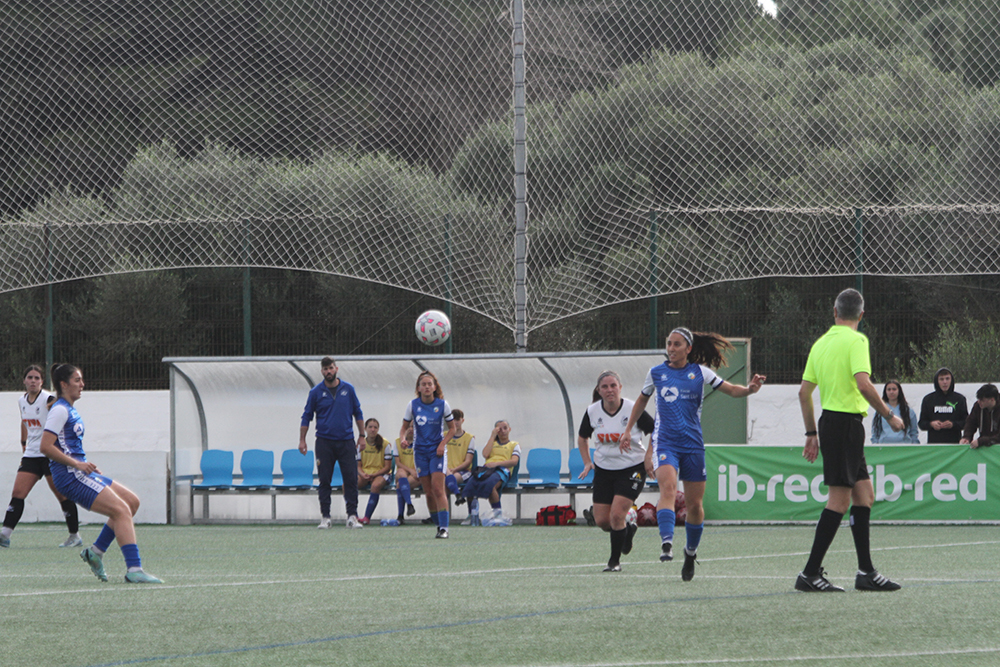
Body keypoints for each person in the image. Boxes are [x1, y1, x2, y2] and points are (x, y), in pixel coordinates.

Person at [622, 327, 765, 582]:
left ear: (688, 348)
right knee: (667, 490)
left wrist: (750, 389)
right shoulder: (656, 373)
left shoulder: (700, 373)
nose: (671, 348)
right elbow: (642, 401)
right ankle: (667, 542)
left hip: (693, 445)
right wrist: (627, 430)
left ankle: (690, 552)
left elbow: (732, 390)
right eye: (669, 343)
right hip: (666, 444)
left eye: (677, 344)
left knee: (695, 506)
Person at [796, 288, 902, 592]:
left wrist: (811, 433)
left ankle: (865, 572)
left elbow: (804, 393)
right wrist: (888, 414)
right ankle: (809, 574)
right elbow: (863, 384)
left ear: (834, 312)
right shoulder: (857, 341)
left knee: (864, 496)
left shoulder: (820, 344)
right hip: (844, 425)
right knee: (839, 501)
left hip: (836, 425)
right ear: (861, 315)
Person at [38, 364, 162, 583]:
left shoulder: (69, 409)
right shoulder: (60, 410)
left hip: (78, 471)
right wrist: (77, 464)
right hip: (70, 476)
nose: (82, 384)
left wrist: (84, 464)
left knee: (131, 502)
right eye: (77, 380)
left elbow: (68, 445)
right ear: (63, 384)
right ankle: (134, 569)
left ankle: (95, 552)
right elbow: (45, 447)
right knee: (121, 510)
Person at [578, 370, 654, 572]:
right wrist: (587, 462)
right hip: (604, 469)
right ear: (599, 390)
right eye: (605, 386)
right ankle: (628, 528)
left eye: (613, 385)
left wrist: (649, 457)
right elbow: (582, 437)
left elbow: (655, 431)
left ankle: (614, 562)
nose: (609, 390)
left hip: (632, 468)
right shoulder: (592, 411)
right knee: (603, 521)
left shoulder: (632, 408)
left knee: (617, 515)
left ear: (620, 388)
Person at [2, 365, 82, 549]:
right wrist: (24, 442)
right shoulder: (21, 401)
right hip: (31, 455)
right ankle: (5, 534)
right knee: (18, 493)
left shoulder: (49, 399)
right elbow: (24, 421)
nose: (33, 381)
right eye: (30, 377)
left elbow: (62, 414)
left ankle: (74, 535)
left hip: (50, 454)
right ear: (24, 380)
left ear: (42, 381)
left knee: (61, 495)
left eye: (37, 378)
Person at [299, 357, 367, 529]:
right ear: (321, 371)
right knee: (324, 480)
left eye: (331, 368)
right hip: (324, 442)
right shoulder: (316, 392)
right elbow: (306, 416)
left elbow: (357, 412)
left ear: (336, 369)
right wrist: (302, 440)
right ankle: (325, 517)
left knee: (351, 479)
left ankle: (352, 516)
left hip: (346, 441)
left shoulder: (348, 389)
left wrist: (362, 435)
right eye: (325, 369)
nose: (328, 371)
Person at [399, 370, 456, 538]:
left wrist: (442, 444)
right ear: (418, 388)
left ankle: (444, 528)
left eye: (429, 384)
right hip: (420, 452)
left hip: (437, 452)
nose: (426, 387)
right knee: (429, 492)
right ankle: (438, 525)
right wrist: (403, 439)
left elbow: (452, 429)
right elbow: (404, 427)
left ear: (434, 387)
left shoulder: (443, 405)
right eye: (423, 384)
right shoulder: (413, 405)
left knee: (438, 489)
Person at [458, 420, 520, 525]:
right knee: (472, 483)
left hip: (502, 470)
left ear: (509, 429)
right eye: (499, 429)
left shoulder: (514, 445)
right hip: (487, 469)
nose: (503, 431)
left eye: (505, 428)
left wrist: (496, 464)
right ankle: (472, 515)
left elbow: (514, 461)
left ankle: (498, 514)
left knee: (491, 486)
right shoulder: (493, 443)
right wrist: (492, 436)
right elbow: (485, 454)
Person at [357, 418, 393, 525]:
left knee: (375, 486)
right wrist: (363, 474)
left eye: (375, 427)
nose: (373, 429)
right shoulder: (360, 444)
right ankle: (353, 515)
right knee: (347, 485)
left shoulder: (385, 444)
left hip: (382, 474)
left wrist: (374, 474)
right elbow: (358, 466)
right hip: (366, 474)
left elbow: (387, 467)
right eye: (370, 427)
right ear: (365, 429)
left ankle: (367, 518)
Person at [917, 368, 968, 444]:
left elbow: (966, 422)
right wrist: (931, 424)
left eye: (947, 379)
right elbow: (921, 423)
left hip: (954, 443)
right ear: (937, 381)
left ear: (951, 380)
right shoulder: (928, 399)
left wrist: (953, 424)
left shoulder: (960, 399)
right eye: (941, 379)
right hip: (934, 444)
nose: (945, 382)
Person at [444, 409, 476, 506]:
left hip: (463, 471)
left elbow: (468, 461)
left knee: (449, 480)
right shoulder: (443, 436)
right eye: (452, 420)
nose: (455, 422)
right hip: (446, 470)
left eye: (457, 420)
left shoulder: (469, 438)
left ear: (462, 420)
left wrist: (454, 470)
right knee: (441, 484)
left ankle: (442, 512)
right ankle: (457, 495)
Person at [960, 384, 1000, 449]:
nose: (979, 402)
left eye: (982, 400)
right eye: (978, 399)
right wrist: (967, 437)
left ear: (992, 400)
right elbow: (971, 422)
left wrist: (982, 441)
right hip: (984, 447)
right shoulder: (978, 407)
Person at [394, 425, 418, 524]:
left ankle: (400, 515)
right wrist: (410, 470)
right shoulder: (398, 442)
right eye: (408, 427)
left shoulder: (420, 442)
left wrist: (414, 471)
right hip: (404, 470)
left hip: (416, 472)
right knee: (400, 473)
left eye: (413, 427)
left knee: (399, 485)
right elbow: (398, 462)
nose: (411, 429)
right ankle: (409, 504)